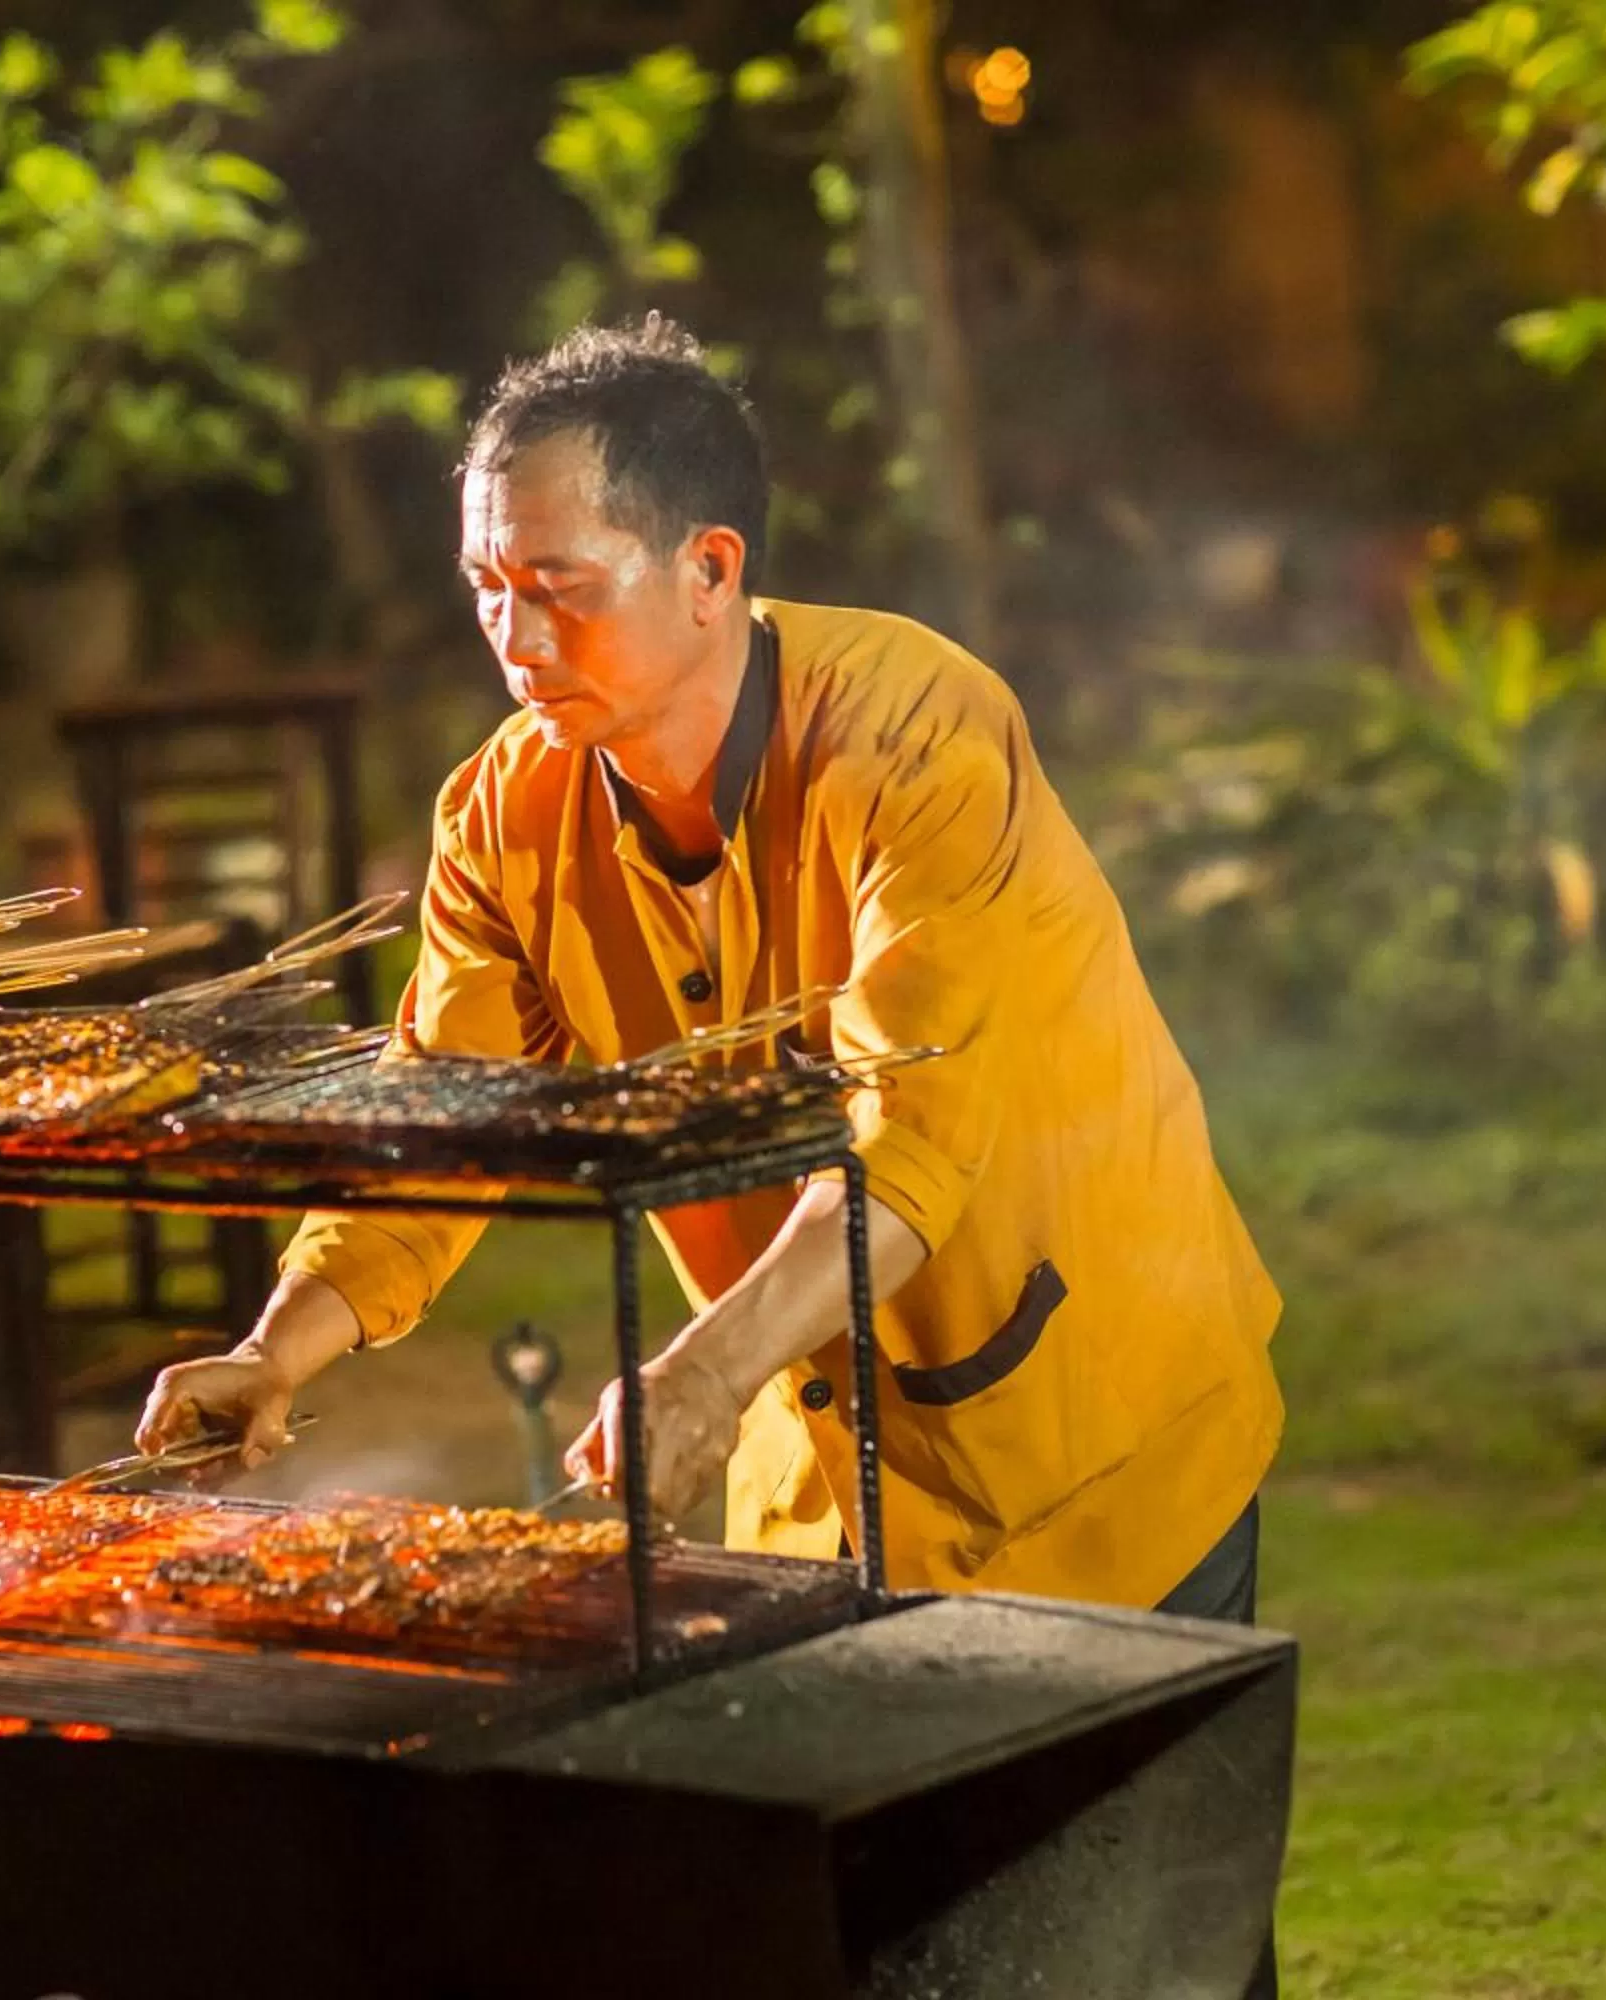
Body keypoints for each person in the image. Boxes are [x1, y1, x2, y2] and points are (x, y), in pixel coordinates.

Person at [138, 313, 1280, 1623]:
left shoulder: (913, 738)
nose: (515, 632)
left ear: (709, 568)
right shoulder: (504, 817)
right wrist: (276, 1348)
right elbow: (444, 1127)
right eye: (485, 586)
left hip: (1101, 1439)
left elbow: (907, 1141)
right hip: (821, 1481)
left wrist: (701, 1375)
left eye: (561, 585)